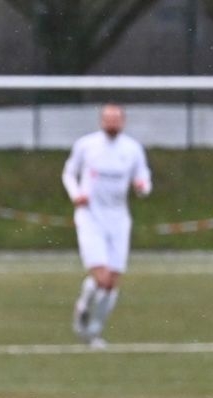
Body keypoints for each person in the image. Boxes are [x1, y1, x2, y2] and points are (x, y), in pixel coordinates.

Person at [63, 102, 151, 349]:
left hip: (119, 220)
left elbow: (143, 177)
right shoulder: (86, 145)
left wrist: (142, 188)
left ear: (123, 121)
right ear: (101, 121)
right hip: (90, 217)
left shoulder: (132, 149)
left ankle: (93, 332)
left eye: (116, 119)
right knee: (102, 278)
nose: (112, 123)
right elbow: (69, 173)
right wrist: (76, 194)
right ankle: (83, 306)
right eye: (108, 119)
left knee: (111, 284)